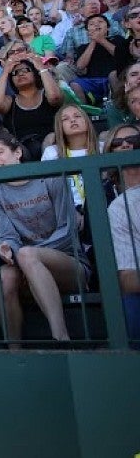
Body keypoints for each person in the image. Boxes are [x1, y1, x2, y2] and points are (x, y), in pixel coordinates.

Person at [0, 131, 86, 344]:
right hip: (24, 265)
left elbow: (68, 230)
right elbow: (4, 235)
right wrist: (7, 248)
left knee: (28, 255)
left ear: (17, 152)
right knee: (2, 278)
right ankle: (15, 351)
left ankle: (61, 338)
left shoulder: (50, 177)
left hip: (68, 263)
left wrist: (27, 255)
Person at [0, 51, 63, 160]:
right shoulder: (10, 101)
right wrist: (5, 72)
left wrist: (41, 68)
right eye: (15, 73)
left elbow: (55, 97)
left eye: (25, 70)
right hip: (22, 152)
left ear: (35, 73)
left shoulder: (47, 94)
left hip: (52, 147)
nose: (20, 74)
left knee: (50, 138)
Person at [105, 123, 140, 344]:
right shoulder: (114, 203)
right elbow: (127, 279)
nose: (126, 144)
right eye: (118, 143)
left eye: (134, 140)